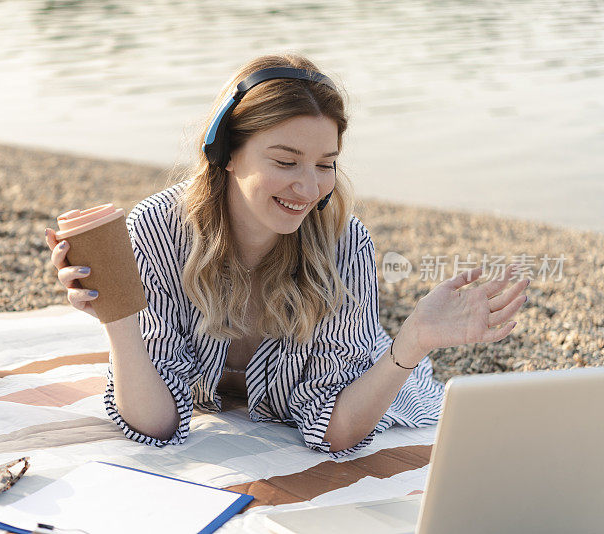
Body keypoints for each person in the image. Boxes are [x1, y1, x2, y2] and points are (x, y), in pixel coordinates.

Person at [45, 53, 529, 458]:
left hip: (363, 387)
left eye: (326, 165)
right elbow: (154, 424)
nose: (308, 186)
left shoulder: (343, 243)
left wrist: (414, 340)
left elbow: (338, 432)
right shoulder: (159, 228)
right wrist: (118, 313)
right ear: (227, 152)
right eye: (285, 161)